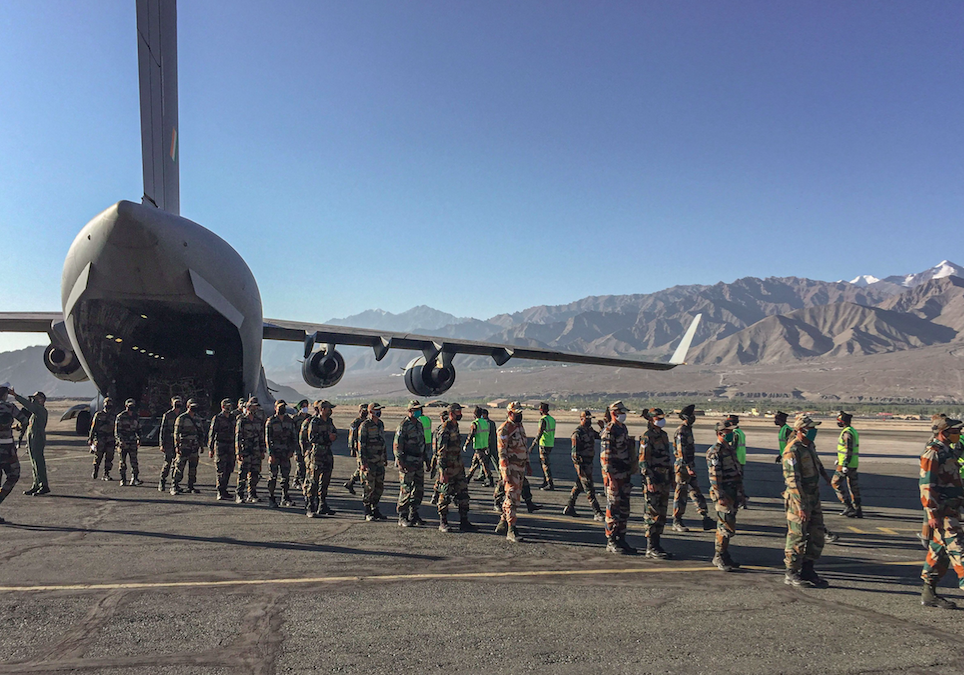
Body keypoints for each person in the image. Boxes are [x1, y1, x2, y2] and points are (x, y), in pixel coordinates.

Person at [919, 417, 964, 609]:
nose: (958, 434)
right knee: (959, 549)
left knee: (939, 553)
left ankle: (929, 594)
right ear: (943, 433)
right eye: (955, 431)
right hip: (942, 512)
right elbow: (926, 485)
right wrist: (931, 513)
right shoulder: (933, 453)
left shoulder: (948, 451)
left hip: (951, 509)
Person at [782, 414, 829, 588]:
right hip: (798, 499)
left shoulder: (809, 446)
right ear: (801, 430)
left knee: (817, 534)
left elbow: (817, 463)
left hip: (813, 497)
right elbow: (793, 481)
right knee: (797, 535)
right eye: (811, 428)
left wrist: (826, 477)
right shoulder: (792, 451)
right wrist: (801, 506)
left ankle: (808, 569)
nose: (814, 431)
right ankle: (791, 572)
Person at [707, 419, 743, 572]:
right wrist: (720, 495)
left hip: (733, 491)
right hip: (724, 493)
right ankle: (719, 556)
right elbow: (714, 476)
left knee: (730, 524)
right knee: (724, 525)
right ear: (720, 433)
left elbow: (737, 471)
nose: (731, 434)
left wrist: (740, 492)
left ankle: (725, 553)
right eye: (728, 432)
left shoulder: (729, 449)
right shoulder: (715, 452)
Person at [672, 404, 714, 533]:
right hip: (683, 467)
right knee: (681, 494)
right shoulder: (681, 431)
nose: (694, 417)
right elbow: (681, 451)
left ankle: (705, 517)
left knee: (696, 491)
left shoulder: (688, 429)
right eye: (692, 415)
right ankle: (677, 520)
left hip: (689, 465)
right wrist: (688, 467)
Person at [602, 400, 637, 554]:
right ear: (613, 413)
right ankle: (611, 540)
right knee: (613, 509)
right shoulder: (609, 430)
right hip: (614, 476)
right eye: (621, 412)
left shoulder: (622, 428)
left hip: (624, 475)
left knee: (624, 509)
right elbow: (606, 458)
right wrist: (611, 479)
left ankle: (621, 538)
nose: (623, 415)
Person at [639, 408, 674, 559]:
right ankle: (650, 547)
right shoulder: (647, 437)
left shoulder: (664, 435)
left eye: (662, 417)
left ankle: (657, 543)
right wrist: (649, 480)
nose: (661, 420)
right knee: (652, 512)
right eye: (658, 418)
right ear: (651, 420)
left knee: (662, 512)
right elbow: (643, 461)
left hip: (664, 479)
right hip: (653, 479)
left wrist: (671, 477)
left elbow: (667, 458)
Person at [436, 403, 476, 533]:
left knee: (463, 494)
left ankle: (464, 521)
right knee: (445, 495)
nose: (460, 414)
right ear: (451, 413)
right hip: (448, 468)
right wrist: (442, 471)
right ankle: (443, 522)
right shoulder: (445, 428)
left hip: (458, 466)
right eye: (458, 411)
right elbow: (441, 451)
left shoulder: (455, 426)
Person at [495, 402, 529, 542]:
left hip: (520, 468)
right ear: (510, 413)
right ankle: (511, 529)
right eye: (517, 413)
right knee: (512, 498)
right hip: (511, 469)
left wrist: (527, 463)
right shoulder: (504, 429)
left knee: (514, 497)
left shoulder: (519, 427)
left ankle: (503, 522)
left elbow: (523, 446)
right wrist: (506, 473)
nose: (520, 416)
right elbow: (502, 453)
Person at [564, 410, 604, 521]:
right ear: (582, 419)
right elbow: (574, 454)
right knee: (589, 487)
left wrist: (602, 427)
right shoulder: (578, 433)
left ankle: (570, 507)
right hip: (582, 464)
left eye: (590, 419)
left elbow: (601, 436)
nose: (589, 421)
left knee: (579, 486)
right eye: (587, 419)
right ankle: (597, 511)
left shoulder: (590, 431)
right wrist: (580, 468)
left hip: (589, 462)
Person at [394, 400, 428, 527]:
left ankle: (414, 514)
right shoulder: (404, 425)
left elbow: (422, 442)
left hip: (418, 461)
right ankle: (402, 516)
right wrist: (400, 462)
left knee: (418, 490)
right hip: (407, 462)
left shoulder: (419, 424)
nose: (419, 411)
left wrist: (426, 459)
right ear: (410, 411)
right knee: (406, 489)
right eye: (416, 409)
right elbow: (397, 445)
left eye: (420, 409)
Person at [11, 390, 49, 496]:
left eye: (35, 399)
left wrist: (16, 396)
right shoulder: (34, 414)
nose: (33, 401)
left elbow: (28, 405)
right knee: (34, 463)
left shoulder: (40, 410)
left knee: (38, 463)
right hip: (33, 439)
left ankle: (43, 485)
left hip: (38, 439)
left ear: (41, 400)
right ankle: (36, 484)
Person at [304, 400, 338, 517]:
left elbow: (335, 432)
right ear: (322, 409)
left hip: (327, 453)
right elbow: (312, 438)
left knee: (325, 480)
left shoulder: (329, 421)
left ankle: (322, 505)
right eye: (328, 408)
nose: (330, 411)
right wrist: (327, 437)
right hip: (317, 454)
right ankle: (310, 507)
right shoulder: (315, 422)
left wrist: (334, 436)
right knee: (314, 480)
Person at [0, 382, 28, 522]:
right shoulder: (10, 407)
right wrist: (15, 427)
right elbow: (24, 420)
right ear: (5, 395)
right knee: (13, 475)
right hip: (7, 449)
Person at [265, 399, 297, 508]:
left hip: (285, 453)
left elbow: (293, 436)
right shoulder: (271, 421)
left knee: (285, 477)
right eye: (280, 407)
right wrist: (270, 454)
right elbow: (268, 439)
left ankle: (285, 497)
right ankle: (271, 498)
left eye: (283, 407)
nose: (282, 409)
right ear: (275, 408)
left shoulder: (289, 421)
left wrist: (292, 450)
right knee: (273, 477)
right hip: (275, 452)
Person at [359, 402, 388, 521]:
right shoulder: (365, 425)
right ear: (371, 411)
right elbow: (361, 445)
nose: (379, 412)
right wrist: (363, 462)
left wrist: (385, 457)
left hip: (379, 461)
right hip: (369, 461)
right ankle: (367, 511)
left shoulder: (380, 424)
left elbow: (383, 442)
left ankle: (375, 508)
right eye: (377, 410)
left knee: (379, 487)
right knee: (369, 487)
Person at [235, 397, 266, 503]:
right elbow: (238, 437)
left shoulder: (258, 421)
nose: (255, 408)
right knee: (243, 473)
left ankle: (252, 494)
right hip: (246, 451)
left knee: (255, 473)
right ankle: (240, 494)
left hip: (256, 451)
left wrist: (262, 450)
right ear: (248, 407)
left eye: (256, 407)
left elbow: (261, 436)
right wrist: (238, 452)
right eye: (253, 406)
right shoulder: (242, 420)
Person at [832, 411, 862, 518]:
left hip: (846, 464)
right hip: (853, 463)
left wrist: (844, 463)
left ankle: (848, 506)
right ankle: (857, 509)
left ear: (843, 421)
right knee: (853, 486)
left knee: (835, 483)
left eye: (839, 421)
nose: (838, 423)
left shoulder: (846, 433)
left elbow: (848, 449)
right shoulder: (852, 430)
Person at [171, 399, 203, 494]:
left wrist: (201, 445)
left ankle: (191, 486)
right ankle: (174, 486)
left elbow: (201, 432)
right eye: (192, 406)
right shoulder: (182, 418)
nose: (194, 408)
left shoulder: (197, 418)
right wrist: (177, 446)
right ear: (187, 406)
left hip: (194, 446)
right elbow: (176, 433)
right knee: (179, 466)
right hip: (184, 446)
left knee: (193, 467)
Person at [208, 398, 237, 500]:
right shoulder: (217, 418)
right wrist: (211, 448)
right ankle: (220, 491)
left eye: (230, 406)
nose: (229, 408)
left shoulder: (233, 418)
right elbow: (212, 434)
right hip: (221, 445)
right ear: (223, 407)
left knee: (229, 468)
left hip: (231, 446)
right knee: (221, 469)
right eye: (227, 406)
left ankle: (224, 489)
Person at [157, 396, 185, 492]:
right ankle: (162, 481)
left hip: (179, 442)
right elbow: (162, 430)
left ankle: (174, 483)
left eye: (179, 403)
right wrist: (161, 444)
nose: (178, 405)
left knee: (177, 464)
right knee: (167, 463)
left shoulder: (183, 415)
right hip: (169, 442)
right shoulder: (168, 415)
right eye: (176, 403)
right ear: (172, 404)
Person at [114, 398, 142, 486]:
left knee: (134, 461)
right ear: (126, 406)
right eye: (129, 406)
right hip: (124, 442)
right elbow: (117, 431)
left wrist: (139, 438)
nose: (131, 408)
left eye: (132, 406)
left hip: (133, 441)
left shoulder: (136, 416)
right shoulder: (121, 416)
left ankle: (135, 478)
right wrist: (120, 440)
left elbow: (139, 429)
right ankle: (123, 479)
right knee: (122, 461)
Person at [465, 407, 495, 487]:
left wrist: (466, 444)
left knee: (484, 464)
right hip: (484, 446)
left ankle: (490, 479)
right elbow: (488, 435)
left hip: (478, 446)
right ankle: (468, 478)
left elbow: (471, 434)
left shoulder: (475, 423)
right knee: (475, 462)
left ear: (474, 414)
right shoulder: (486, 423)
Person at [88, 398, 116, 481]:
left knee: (109, 457)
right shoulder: (98, 415)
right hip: (100, 439)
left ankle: (106, 474)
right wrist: (91, 438)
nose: (108, 407)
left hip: (110, 439)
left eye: (110, 405)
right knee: (98, 456)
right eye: (107, 404)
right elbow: (93, 427)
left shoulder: (114, 416)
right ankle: (95, 470)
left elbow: (116, 429)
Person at [344, 404, 368, 495]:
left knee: (361, 468)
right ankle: (363, 487)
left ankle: (351, 483)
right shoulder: (356, 422)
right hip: (358, 447)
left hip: (366, 447)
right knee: (362, 467)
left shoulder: (367, 422)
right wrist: (352, 448)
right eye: (363, 411)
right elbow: (351, 436)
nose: (364, 413)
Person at [726, 414, 748, 508]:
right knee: (739, 482)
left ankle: (741, 500)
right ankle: (742, 501)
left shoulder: (734, 433)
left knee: (735, 482)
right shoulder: (740, 432)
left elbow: (733, 447)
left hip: (736, 460)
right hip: (741, 459)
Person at [534, 402, 556, 491]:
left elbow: (540, 433)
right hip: (550, 443)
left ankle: (550, 483)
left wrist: (532, 445)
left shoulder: (543, 420)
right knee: (544, 463)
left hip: (544, 444)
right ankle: (545, 482)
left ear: (541, 410)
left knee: (545, 464)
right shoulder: (552, 419)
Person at [290, 399, 311, 489]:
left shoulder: (309, 418)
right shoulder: (295, 418)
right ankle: (301, 481)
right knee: (300, 463)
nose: (305, 408)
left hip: (307, 444)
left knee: (305, 463)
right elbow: (291, 432)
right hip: (297, 443)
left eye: (306, 406)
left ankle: (296, 480)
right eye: (303, 406)